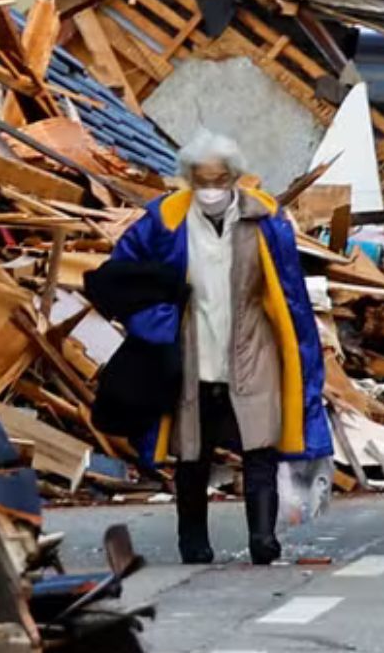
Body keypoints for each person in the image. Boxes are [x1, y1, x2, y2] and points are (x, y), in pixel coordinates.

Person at [107, 131, 331, 565]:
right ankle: (193, 540)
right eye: (201, 179)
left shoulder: (264, 221)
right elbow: (122, 275)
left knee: (259, 445)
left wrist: (301, 352)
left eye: (219, 178)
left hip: (252, 345)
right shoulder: (165, 221)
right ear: (188, 179)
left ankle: (263, 538)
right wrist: (153, 323)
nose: (211, 189)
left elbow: (289, 291)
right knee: (193, 449)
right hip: (192, 349)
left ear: (234, 177)